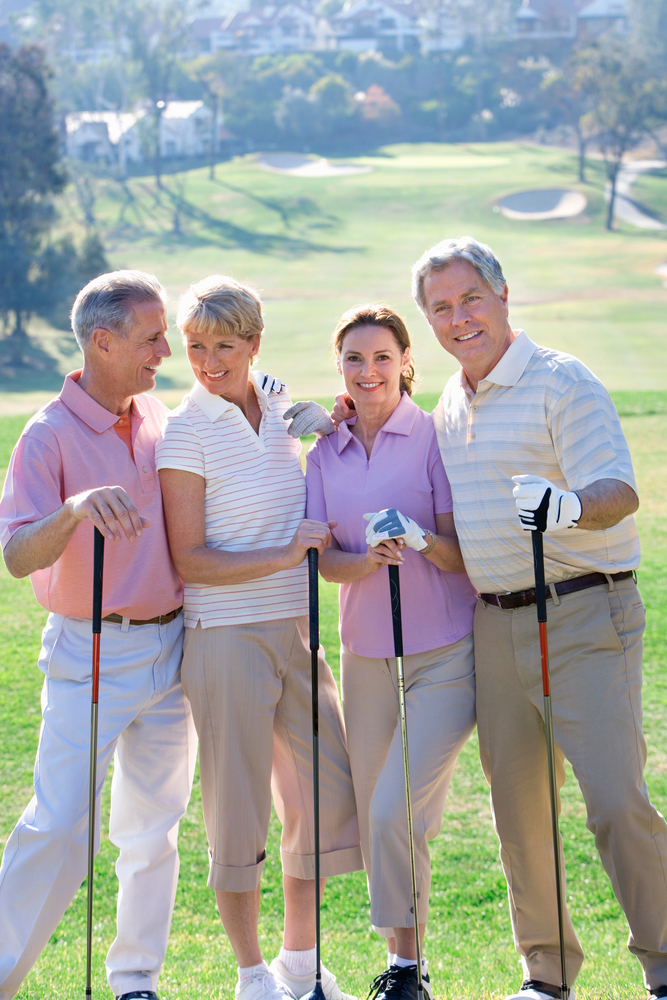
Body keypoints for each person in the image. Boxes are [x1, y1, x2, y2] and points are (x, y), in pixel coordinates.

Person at [408, 236, 667, 1000]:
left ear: (503, 294)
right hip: (493, 624)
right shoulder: (448, 404)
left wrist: (569, 506)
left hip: (585, 613)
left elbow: (618, 490)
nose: (459, 320)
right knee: (519, 813)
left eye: (470, 299)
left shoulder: (561, 381)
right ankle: (546, 975)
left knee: (616, 799)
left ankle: (661, 963)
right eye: (441, 309)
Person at [155, 275, 363, 1000]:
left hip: (295, 631)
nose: (208, 362)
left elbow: (299, 408)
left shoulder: (272, 400)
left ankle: (299, 961)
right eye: (194, 347)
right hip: (224, 638)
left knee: (324, 796)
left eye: (224, 346)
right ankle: (251, 976)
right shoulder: (185, 432)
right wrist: (283, 553)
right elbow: (190, 560)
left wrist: (323, 412)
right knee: (238, 810)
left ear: (253, 344)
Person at [0, 271, 197, 1000]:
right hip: (91, 652)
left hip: (171, 648)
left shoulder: (155, 415)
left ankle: (135, 980)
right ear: (103, 341)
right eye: (151, 339)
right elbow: (17, 556)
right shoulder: (47, 435)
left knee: (153, 830)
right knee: (57, 825)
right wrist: (75, 508)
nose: (163, 353)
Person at [305, 305, 477, 1000]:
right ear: (340, 366)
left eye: (381, 357)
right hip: (367, 654)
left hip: (442, 651)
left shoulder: (432, 437)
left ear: (406, 360)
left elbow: (460, 555)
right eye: (354, 358)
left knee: (392, 813)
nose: (368, 371)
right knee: (388, 812)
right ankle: (406, 967)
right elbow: (327, 565)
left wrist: (419, 542)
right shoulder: (325, 450)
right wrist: (368, 557)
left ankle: (407, 963)